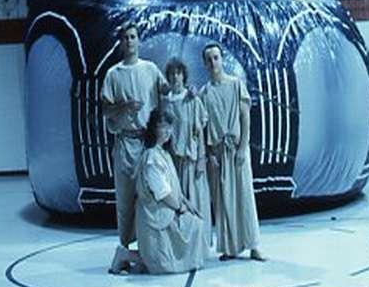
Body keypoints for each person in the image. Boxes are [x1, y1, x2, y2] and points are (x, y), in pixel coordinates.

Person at [110, 109, 208, 274]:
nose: (167, 132)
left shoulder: (164, 154)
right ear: (154, 129)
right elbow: (161, 192)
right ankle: (124, 255)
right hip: (155, 215)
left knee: (195, 223)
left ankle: (150, 257)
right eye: (163, 127)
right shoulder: (152, 157)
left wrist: (187, 203)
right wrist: (179, 207)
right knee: (162, 263)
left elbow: (174, 187)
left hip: (165, 210)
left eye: (170, 128)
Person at [101, 24, 168, 251]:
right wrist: (124, 107)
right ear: (121, 43)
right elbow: (105, 110)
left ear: (138, 40)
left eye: (133, 37)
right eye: (125, 38)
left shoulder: (150, 69)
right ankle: (125, 248)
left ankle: (152, 248)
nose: (129, 41)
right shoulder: (113, 74)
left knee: (151, 195)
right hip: (126, 143)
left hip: (148, 143)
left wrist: (182, 89)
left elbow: (167, 90)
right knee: (126, 199)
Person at [199, 42, 265, 262]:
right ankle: (230, 247)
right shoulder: (204, 93)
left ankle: (254, 245)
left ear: (222, 59)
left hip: (237, 148)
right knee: (223, 201)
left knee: (245, 197)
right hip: (218, 153)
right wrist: (209, 154)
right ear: (204, 64)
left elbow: (245, 117)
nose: (213, 62)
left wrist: (243, 148)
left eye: (216, 57)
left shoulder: (236, 85)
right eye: (209, 59)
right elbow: (203, 127)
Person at [163, 57, 212, 245]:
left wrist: (201, 158)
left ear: (184, 76)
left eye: (179, 73)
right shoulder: (165, 103)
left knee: (196, 199)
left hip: (191, 160)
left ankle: (200, 242)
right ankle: (183, 244)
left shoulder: (192, 100)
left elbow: (199, 131)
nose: (176, 77)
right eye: (172, 74)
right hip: (173, 162)